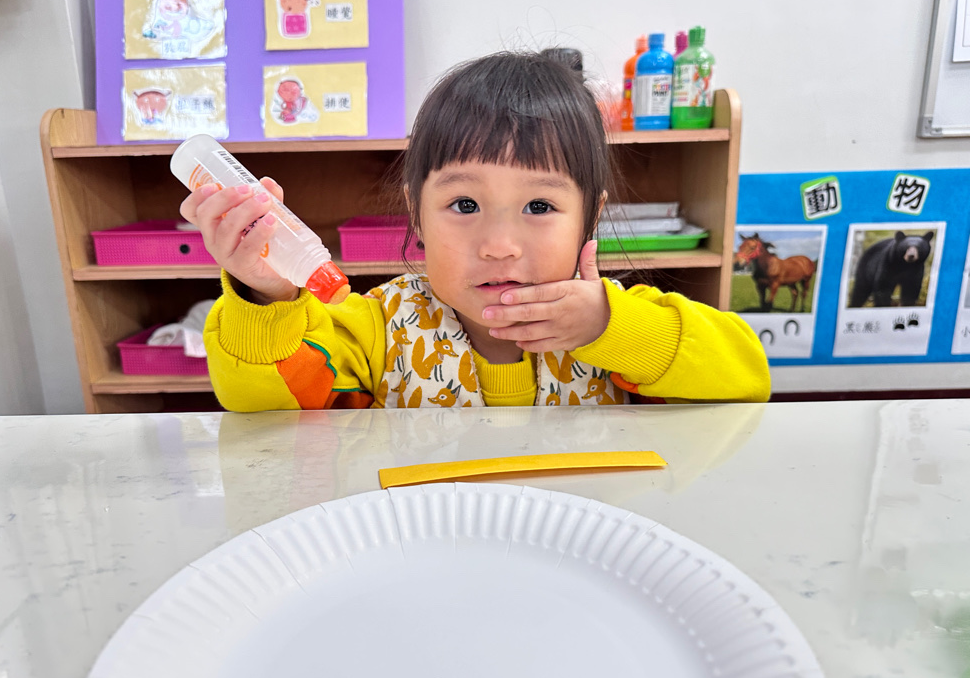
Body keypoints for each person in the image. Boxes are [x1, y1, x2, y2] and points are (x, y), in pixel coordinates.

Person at [179, 51, 770, 411]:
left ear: (590, 218)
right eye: (464, 204)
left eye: (539, 206)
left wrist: (611, 327)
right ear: (416, 214)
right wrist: (266, 296)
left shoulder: (616, 321)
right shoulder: (377, 327)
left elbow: (747, 379)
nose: (499, 246)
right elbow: (263, 406)